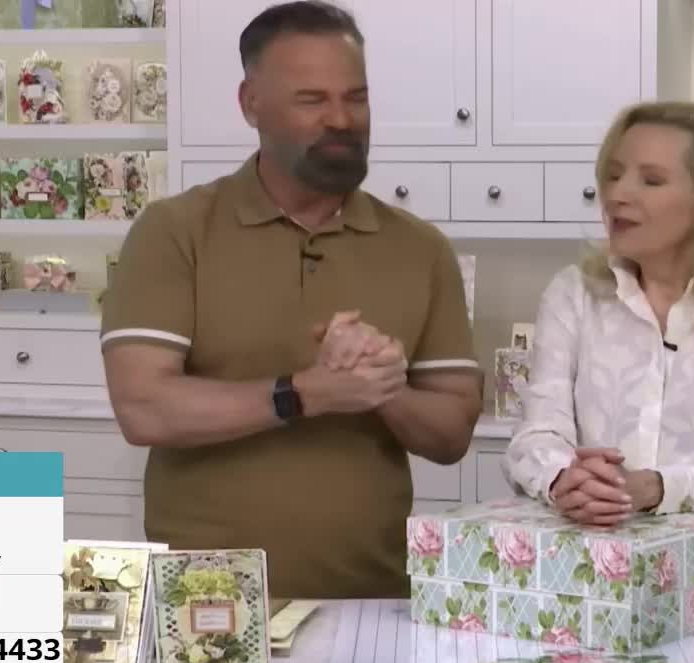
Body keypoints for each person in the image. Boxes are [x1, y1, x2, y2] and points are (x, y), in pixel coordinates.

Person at [100, 0, 482, 599]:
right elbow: (145, 409)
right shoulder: (175, 232)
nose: (342, 119)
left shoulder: (420, 248)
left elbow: (452, 432)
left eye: (355, 97)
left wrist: (383, 387)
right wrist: (305, 393)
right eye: (312, 100)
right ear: (251, 104)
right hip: (205, 604)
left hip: (375, 602)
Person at [502, 100, 694, 527]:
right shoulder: (572, 294)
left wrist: (651, 488)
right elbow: (537, 433)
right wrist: (565, 480)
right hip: (584, 566)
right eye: (612, 176)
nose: (616, 195)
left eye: (650, 180)